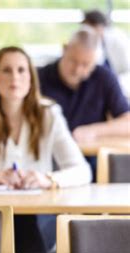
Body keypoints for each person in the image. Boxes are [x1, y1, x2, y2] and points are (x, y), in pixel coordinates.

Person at [0, 46, 91, 253]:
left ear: (31, 79)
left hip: (37, 214)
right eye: (6, 70)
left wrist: (48, 179)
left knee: (27, 227)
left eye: (22, 70)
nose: (15, 77)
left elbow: (82, 170)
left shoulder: (50, 114)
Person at [38, 28, 130, 179]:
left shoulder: (104, 77)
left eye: (86, 64)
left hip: (90, 160)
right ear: (64, 50)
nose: (77, 70)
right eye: (73, 61)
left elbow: (127, 122)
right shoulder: (40, 77)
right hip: (49, 159)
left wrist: (94, 130)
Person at [82, 9, 130, 97]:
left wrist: (112, 83)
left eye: (89, 27)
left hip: (122, 84)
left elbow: (127, 69)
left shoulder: (118, 40)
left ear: (99, 26)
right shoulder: (91, 43)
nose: (86, 32)